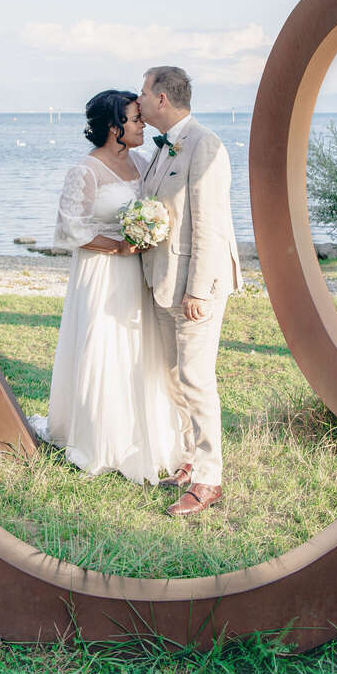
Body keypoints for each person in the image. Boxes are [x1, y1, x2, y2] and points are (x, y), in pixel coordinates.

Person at [29, 90, 182, 484]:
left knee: (140, 349)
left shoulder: (143, 162)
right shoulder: (85, 171)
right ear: (115, 127)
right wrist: (119, 246)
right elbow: (70, 229)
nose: (143, 125)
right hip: (101, 272)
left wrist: (150, 231)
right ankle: (99, 438)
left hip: (139, 273)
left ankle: (140, 436)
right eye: (136, 119)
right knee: (103, 346)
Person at [138, 66, 242, 516]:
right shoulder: (163, 147)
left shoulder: (205, 145)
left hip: (196, 287)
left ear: (162, 98)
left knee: (196, 380)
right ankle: (188, 459)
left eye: (143, 93)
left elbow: (211, 225)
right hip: (163, 281)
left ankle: (209, 478)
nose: (138, 100)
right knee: (172, 376)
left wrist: (198, 291)